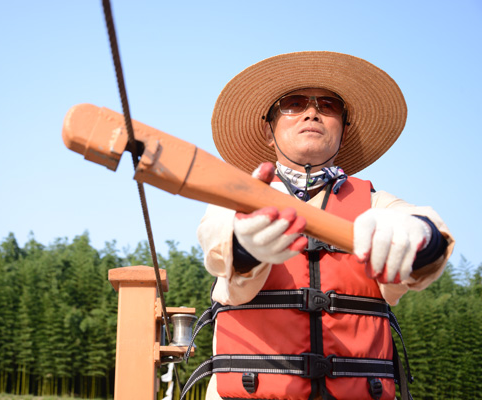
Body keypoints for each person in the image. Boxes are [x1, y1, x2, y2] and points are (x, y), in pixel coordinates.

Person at [184, 52, 454, 400]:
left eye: (328, 105)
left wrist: (422, 237)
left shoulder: (376, 204)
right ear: (269, 130)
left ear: (344, 131)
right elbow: (216, 238)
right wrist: (244, 245)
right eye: (294, 104)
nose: (312, 112)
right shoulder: (237, 197)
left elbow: (429, 231)